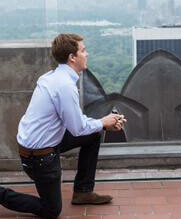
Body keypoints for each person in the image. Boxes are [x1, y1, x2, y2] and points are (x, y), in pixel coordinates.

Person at [0, 33, 127, 218]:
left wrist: (104, 125)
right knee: (51, 211)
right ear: (72, 57)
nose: (87, 54)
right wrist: (103, 122)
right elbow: (76, 129)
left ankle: (83, 192)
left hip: (40, 145)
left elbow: (76, 123)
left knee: (93, 135)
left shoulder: (51, 76)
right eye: (83, 51)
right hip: (39, 158)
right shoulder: (65, 86)